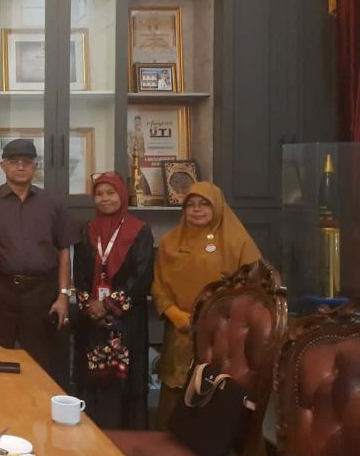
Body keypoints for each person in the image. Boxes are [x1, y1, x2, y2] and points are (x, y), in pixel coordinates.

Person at [153, 181, 262, 430]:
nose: (196, 210)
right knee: (176, 391)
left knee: (217, 392)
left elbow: (255, 289)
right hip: (182, 332)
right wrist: (176, 315)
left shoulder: (238, 243)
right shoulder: (170, 242)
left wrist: (225, 321)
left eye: (204, 204)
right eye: (190, 205)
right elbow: (158, 287)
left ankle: (212, 448)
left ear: (218, 207)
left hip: (225, 336)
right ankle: (168, 447)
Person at [0, 138, 80, 379]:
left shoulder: (53, 204)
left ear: (35, 166)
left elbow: (64, 251)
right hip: (0, 294)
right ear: (3, 166)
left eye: (26, 161)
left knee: (41, 365)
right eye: (13, 161)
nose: (20, 166)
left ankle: (38, 404)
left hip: (41, 295)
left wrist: (63, 295)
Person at [72, 172, 154, 430]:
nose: (105, 198)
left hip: (127, 322)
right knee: (92, 380)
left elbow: (142, 276)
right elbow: (80, 275)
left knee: (124, 384)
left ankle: (125, 442)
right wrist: (89, 306)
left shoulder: (140, 231)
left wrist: (108, 306)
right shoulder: (87, 230)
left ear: (122, 195)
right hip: (92, 323)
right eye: (99, 194)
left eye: (111, 193)